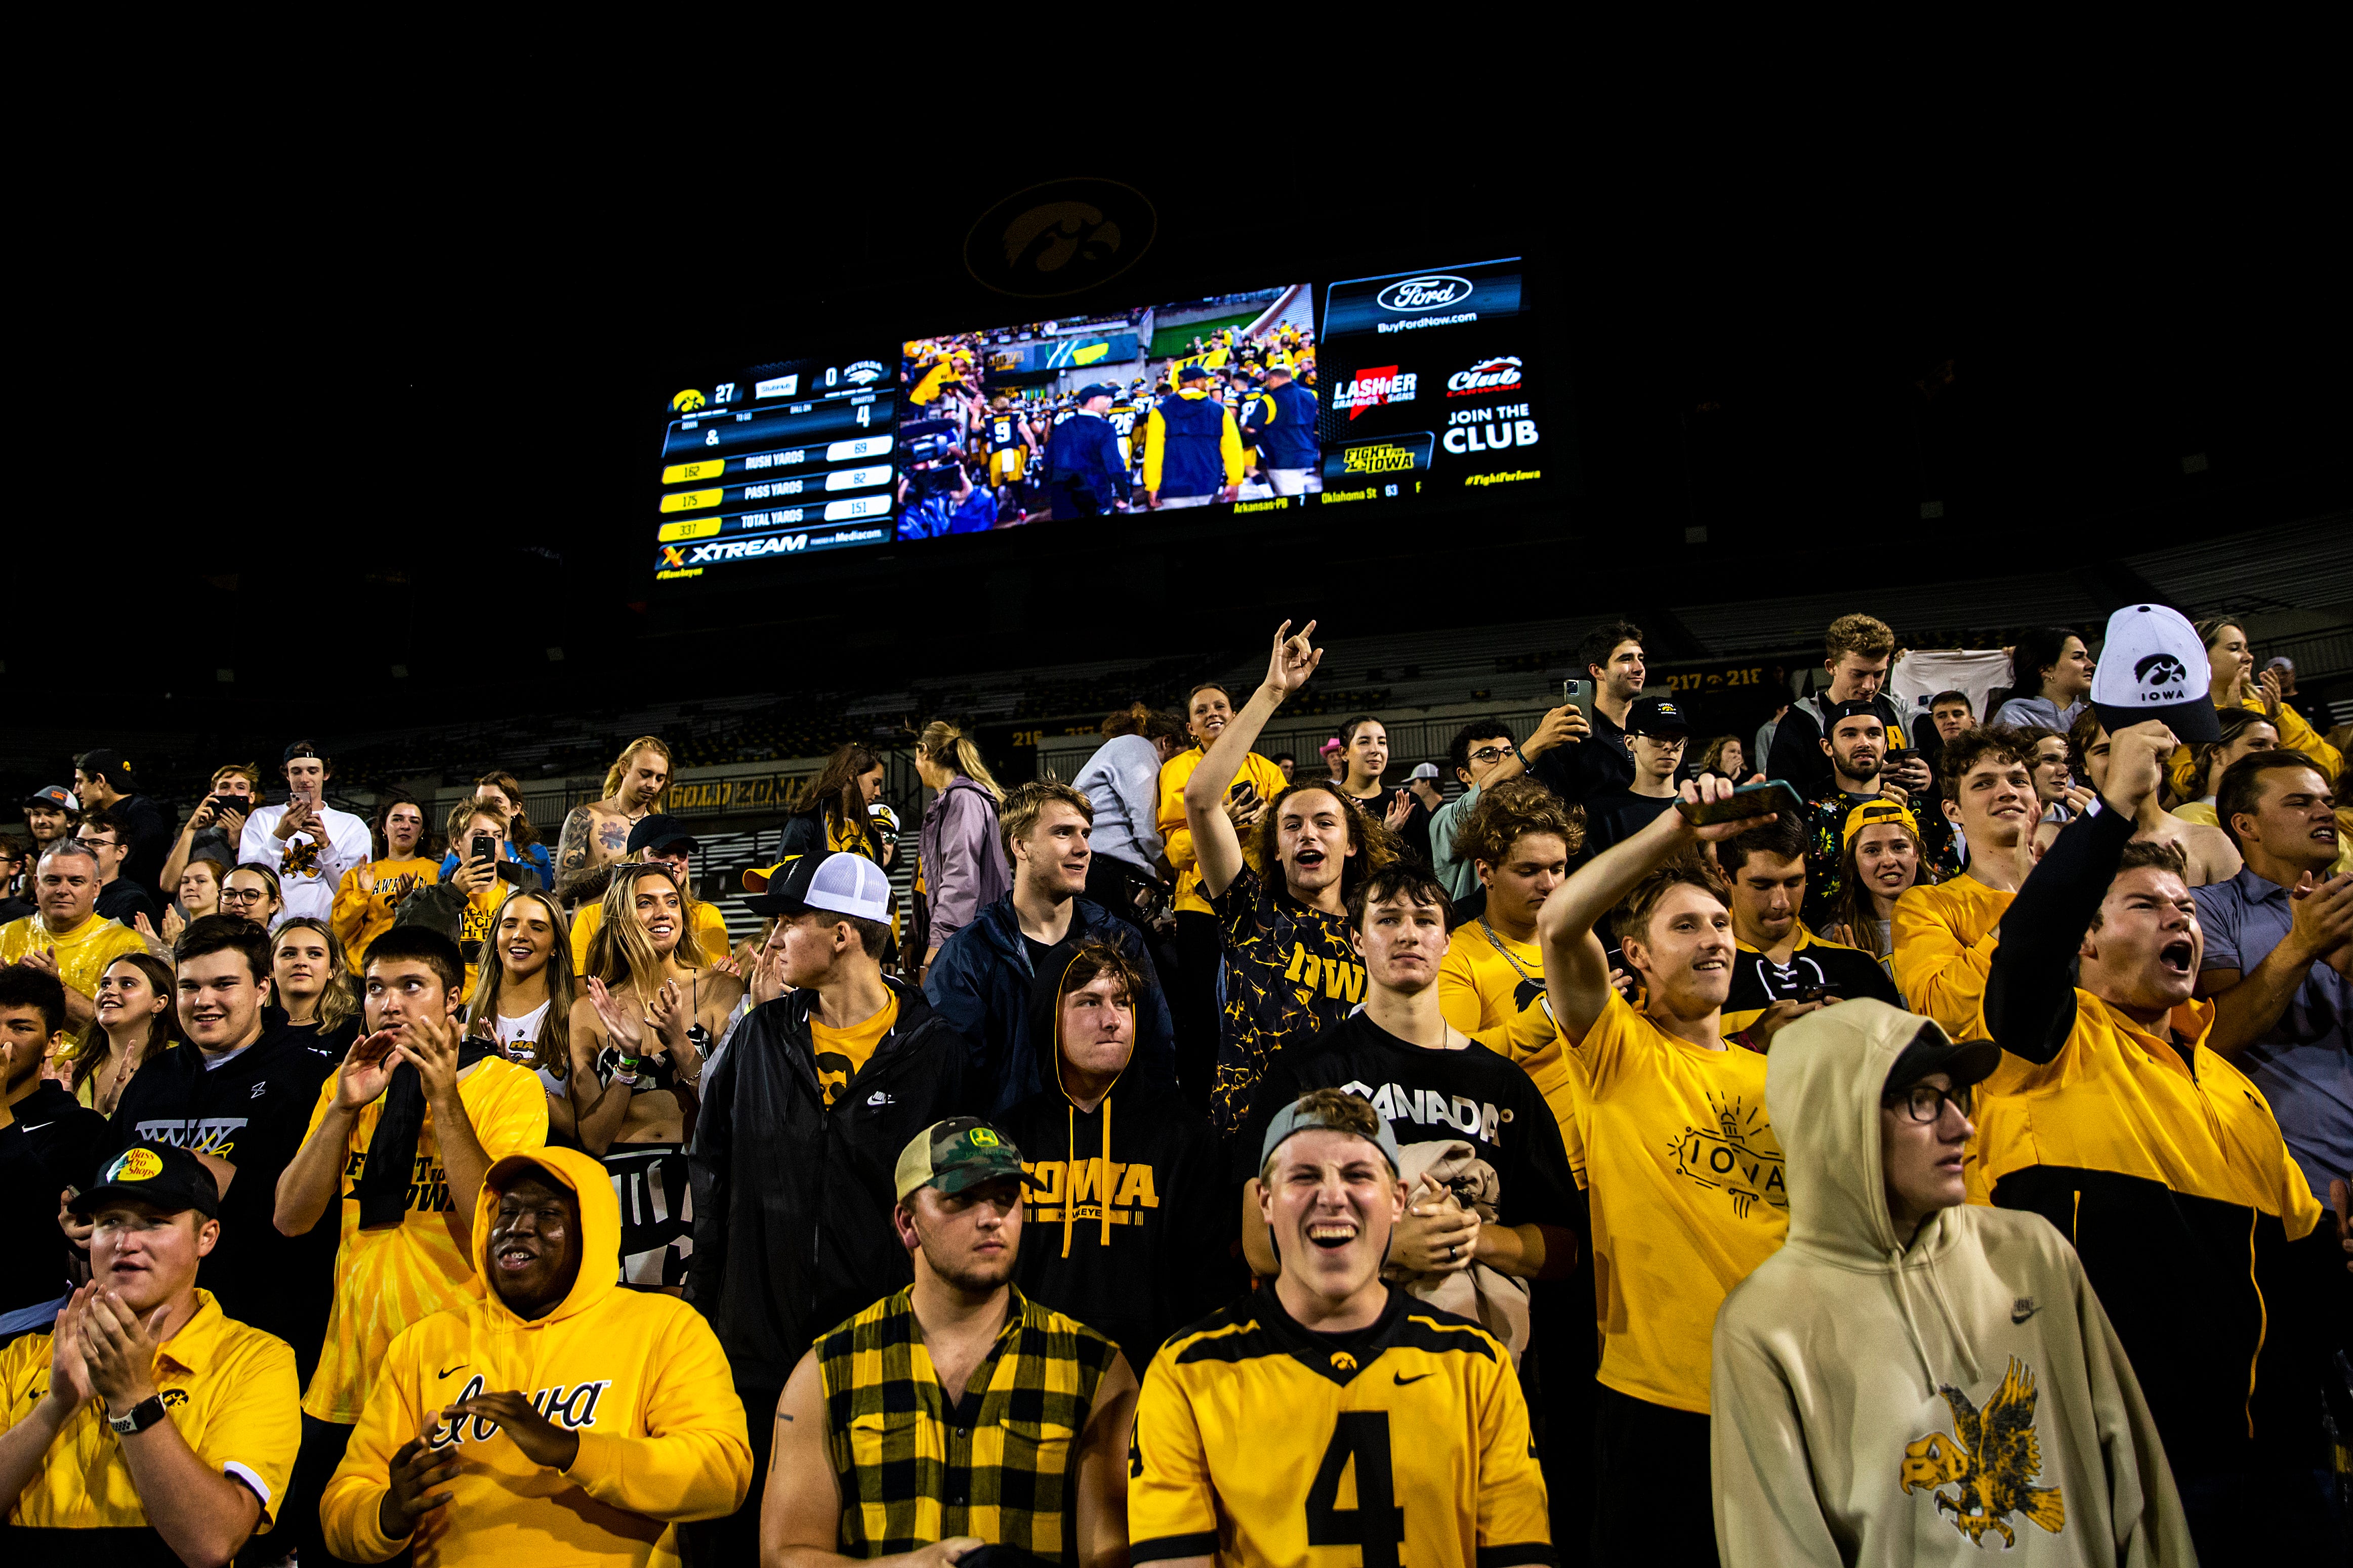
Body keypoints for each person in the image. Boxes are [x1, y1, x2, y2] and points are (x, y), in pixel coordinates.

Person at [1973, 714, 2339, 1555]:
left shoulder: (2229, 1083)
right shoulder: (2045, 1048)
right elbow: (2026, 946)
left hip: (2280, 1460)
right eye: (2143, 903)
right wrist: (2110, 810)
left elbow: (2305, 1269)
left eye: (2184, 906)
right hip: (2124, 1456)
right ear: (2086, 937)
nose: (2177, 918)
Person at [1710, 1001, 2195, 1564]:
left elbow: (2137, 1488)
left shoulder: (2031, 1253)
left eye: (1954, 1099)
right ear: (1836, 1119)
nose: (1960, 1126)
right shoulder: (1765, 1323)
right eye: (1922, 1102)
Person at [685, 851, 977, 1566]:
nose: (773, 937)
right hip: (754, 1349)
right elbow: (713, 1172)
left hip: (879, 1356)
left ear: (844, 933)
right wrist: (710, 1306)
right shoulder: (759, 1035)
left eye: (790, 921)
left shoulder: (938, 1052)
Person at [1534, 773, 1790, 1567]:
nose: (1714, 937)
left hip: (1786, 1394)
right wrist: (1676, 829)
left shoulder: (1779, 1076)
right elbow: (1559, 921)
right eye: (1686, 925)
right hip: (1658, 1401)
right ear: (1637, 954)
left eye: (1720, 921)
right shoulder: (1617, 1049)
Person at [1130, 1088, 1552, 1568]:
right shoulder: (1188, 1373)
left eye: (1357, 1175)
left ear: (1397, 1199)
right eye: (1305, 1176)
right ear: (1264, 1201)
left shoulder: (1476, 1366)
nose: (1332, 1197)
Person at [320, 1147, 752, 1567]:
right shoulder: (424, 1343)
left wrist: (572, 1450)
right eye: (505, 1212)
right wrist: (389, 1513)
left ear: (592, 1230)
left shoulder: (663, 1327)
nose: (518, 1227)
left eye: (548, 1214)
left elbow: (721, 1474)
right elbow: (342, 1504)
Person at [273, 925, 550, 1560]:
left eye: (410, 987)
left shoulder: (506, 1087)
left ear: (453, 999)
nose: (389, 1004)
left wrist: (442, 1096)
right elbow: (290, 1218)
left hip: (454, 1384)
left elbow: (499, 1221)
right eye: (374, 989)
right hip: (343, 1382)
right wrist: (342, 1109)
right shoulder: (347, 1087)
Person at [762, 1117, 1137, 1568]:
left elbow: (1115, 1559)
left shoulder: (1093, 1369)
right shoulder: (829, 1369)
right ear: (908, 1222)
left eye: (1006, 1198)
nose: (991, 1217)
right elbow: (784, 1555)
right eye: (961, 1199)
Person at [1242, 863, 1579, 1325]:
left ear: (1446, 941)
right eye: (1387, 920)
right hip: (1338, 1350)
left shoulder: (1503, 1084)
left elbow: (1564, 1249)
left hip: (1468, 1361)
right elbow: (1257, 1245)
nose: (1408, 934)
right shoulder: (1305, 1071)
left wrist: (1465, 1237)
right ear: (1358, 940)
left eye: (1424, 920)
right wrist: (1387, 1244)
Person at [0, 1142, 301, 1564]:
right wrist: (55, 1409)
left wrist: (133, 1397)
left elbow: (212, 1543)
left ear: (206, 1236)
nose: (126, 1241)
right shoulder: (23, 1357)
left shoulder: (255, 1360)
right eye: (110, 1222)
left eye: (154, 1223)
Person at [110, 915, 345, 1382]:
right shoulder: (151, 1079)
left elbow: (309, 1213)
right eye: (189, 986)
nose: (204, 1001)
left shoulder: (309, 1076)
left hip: (267, 1329)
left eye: (223, 984)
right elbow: (108, 1170)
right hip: (150, 1338)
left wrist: (208, 1176)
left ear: (262, 988)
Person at [1184, 621, 1381, 1135]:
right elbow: (1201, 800)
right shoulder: (1250, 912)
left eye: (1324, 823)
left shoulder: (1379, 933)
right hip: (1250, 1141)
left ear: (1352, 843)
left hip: (1356, 1139)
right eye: (1290, 825)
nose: (1306, 835)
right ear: (1274, 847)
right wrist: (1272, 691)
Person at [1000, 937, 1223, 1366]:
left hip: (1153, 1385)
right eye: (1089, 1003)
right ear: (1049, 1016)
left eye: (1122, 1003)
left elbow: (1207, 1288)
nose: (1112, 1020)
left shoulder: (1185, 1138)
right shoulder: (1009, 1138)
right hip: (1026, 1378)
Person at [925, 780, 1177, 1116]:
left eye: (1085, 834)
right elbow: (952, 1084)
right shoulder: (967, 956)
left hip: (1109, 1153)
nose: (1083, 848)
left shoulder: (1120, 941)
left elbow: (1155, 1051)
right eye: (1063, 833)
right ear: (1020, 846)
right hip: (1010, 1154)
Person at [2193, 750, 2352, 1205]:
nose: (2325, 812)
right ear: (2246, 826)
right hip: (2296, 1193)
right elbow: (2212, 1041)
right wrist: (2301, 947)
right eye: (2300, 803)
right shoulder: (2206, 910)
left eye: (2326, 800)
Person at [572, 863, 742, 1289]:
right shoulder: (589, 1010)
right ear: (619, 917)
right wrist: (627, 1061)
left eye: (670, 902)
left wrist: (680, 1044)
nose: (661, 912)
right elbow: (592, 1139)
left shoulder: (721, 990)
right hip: (615, 1189)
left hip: (697, 1179)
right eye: (644, 903)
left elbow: (731, 1112)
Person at [1155, 681, 1289, 1096]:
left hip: (1260, 908)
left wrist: (1267, 821)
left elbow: (1288, 839)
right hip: (1200, 907)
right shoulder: (1177, 770)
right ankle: (1202, 1100)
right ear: (1191, 727)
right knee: (1203, 1013)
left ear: (1234, 715)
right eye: (1201, 710)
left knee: (1263, 1003)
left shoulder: (1267, 771)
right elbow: (1176, 852)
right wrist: (1218, 820)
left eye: (1221, 706)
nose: (1212, 713)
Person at [1891, 728, 2038, 1039]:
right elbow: (1942, 1012)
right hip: (2010, 1084)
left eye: (2019, 781)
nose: (2008, 792)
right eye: (1984, 783)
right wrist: (2031, 904)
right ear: (1952, 811)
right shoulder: (1925, 905)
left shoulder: (2085, 889)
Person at [1718, 811, 1901, 1050]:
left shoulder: (1859, 969)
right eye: (1762, 886)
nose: (1781, 902)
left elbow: (1908, 1070)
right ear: (1725, 877)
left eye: (1794, 883)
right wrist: (1749, 1042)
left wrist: (1862, 1040)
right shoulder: (1702, 975)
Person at [0, 966, 110, 1343]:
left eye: (21, 1027)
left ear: (53, 1043)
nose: (1, 1039)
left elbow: (32, 1214)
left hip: (29, 1331)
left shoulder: (79, 1127)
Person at [2068, 710, 2242, 885]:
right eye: (2106, 751)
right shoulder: (2068, 845)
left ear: (2161, 752)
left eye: (2136, 747)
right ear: (2085, 766)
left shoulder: (2212, 843)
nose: (2122, 759)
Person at [1428, 709, 1584, 903]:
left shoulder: (1529, 820)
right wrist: (1537, 742)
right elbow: (1482, 796)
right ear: (1463, 774)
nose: (1504, 760)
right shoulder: (1445, 819)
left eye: (1509, 753)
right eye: (1488, 754)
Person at [2, 841, 145, 1049]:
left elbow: (127, 1033)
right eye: (52, 880)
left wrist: (55, 989)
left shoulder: (127, 946)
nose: (62, 890)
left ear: (96, 887)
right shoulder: (5, 936)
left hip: (88, 1070)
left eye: (76, 882)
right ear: (36, 884)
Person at [1798, 700, 1937, 910]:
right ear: (1827, 747)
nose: (1864, 743)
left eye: (1873, 734)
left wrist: (1909, 827)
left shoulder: (1923, 810)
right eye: (1850, 734)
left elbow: (1946, 881)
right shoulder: (1809, 816)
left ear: (1886, 745)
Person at [461, 888, 575, 1136]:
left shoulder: (572, 1016)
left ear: (555, 946)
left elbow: (574, 1127)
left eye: (537, 927)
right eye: (510, 925)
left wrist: (520, 1078)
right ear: (496, 940)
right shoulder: (471, 1016)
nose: (520, 935)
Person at [1765, 613, 1913, 800]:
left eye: (1878, 674)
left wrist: (1930, 779)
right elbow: (1782, 799)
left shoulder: (1901, 713)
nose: (1869, 686)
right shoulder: (1798, 723)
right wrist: (1862, 777)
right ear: (1831, 667)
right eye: (1858, 674)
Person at [566, 813, 731, 976]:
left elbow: (718, 986)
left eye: (681, 853)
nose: (674, 860)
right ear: (635, 859)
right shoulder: (590, 918)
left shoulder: (706, 915)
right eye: (662, 852)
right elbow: (582, 994)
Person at [2189, 617, 2342, 790]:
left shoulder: (2274, 709)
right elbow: (2187, 784)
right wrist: (2233, 723)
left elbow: (2331, 766)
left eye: (2247, 648)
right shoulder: (2187, 720)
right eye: (2235, 648)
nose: (2249, 657)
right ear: (2200, 656)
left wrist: (2279, 720)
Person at [1070, 706, 1186, 927]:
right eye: (1180, 756)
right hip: (1105, 870)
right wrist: (1176, 876)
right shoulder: (1137, 746)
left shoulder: (1120, 748)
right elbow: (1147, 831)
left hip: (1100, 867)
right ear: (1167, 743)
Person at [915, 720, 1009, 983]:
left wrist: (941, 939)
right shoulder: (955, 801)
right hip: (975, 939)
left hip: (972, 943)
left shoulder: (963, 800)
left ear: (925, 751)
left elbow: (961, 876)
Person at [1531, 617, 1645, 804]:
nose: (1639, 668)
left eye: (1640, 659)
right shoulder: (1569, 735)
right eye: (1626, 659)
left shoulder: (1654, 727)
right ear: (1597, 671)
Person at [1812, 799, 1928, 970]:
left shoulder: (1951, 917)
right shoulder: (1837, 937)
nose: (1889, 861)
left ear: (1916, 853)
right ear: (1853, 862)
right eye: (1872, 850)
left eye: (1899, 847)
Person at [554, 735, 674, 899]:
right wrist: (623, 863)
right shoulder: (587, 817)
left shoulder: (659, 829)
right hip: (594, 922)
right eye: (645, 774)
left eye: (660, 779)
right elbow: (562, 887)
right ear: (624, 768)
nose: (652, 785)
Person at [329, 795, 439, 974]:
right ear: (384, 828)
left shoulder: (436, 873)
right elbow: (339, 932)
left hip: (417, 968)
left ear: (422, 832)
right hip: (364, 973)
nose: (405, 826)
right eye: (397, 819)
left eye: (414, 821)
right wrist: (362, 893)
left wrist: (409, 902)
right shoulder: (359, 875)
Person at [1577, 695, 1692, 857]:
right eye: (1657, 737)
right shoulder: (1605, 816)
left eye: (1677, 739)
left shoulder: (1695, 808)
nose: (1669, 747)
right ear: (1630, 743)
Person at [71, 951, 176, 1115]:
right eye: (105, 984)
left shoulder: (181, 1062)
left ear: (159, 1003)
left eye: (127, 984)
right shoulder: (77, 1070)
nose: (109, 991)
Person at [70, 748, 172, 902]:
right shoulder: (134, 811)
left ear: (100, 781)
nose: (76, 791)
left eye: (80, 782)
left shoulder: (143, 815)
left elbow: (143, 872)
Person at [1141, 361, 1243, 508]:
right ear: (1197, 382)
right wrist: (1234, 481)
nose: (1208, 384)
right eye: (1206, 381)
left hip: (1172, 487)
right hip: (1208, 484)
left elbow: (1153, 452)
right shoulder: (1221, 411)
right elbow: (1232, 448)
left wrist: (1152, 485)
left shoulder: (1160, 411)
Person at [157, 761, 261, 901]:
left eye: (240, 787)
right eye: (224, 787)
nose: (232, 793)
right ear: (213, 795)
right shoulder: (194, 838)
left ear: (252, 797)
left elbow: (255, 890)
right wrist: (189, 829)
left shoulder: (260, 838)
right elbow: (169, 885)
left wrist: (238, 841)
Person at [437, 770, 557, 889]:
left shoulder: (536, 853)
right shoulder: (458, 853)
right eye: (483, 801)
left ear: (515, 809)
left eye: (497, 801)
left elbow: (542, 898)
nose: (489, 808)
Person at [2169, 705, 2279, 827]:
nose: (2272, 755)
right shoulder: (2190, 817)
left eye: (2276, 748)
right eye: (2258, 745)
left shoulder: (2274, 815)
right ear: (2217, 752)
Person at [1044, 380, 1135, 519]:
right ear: (1092, 400)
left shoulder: (1063, 427)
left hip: (1062, 499)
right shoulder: (1105, 428)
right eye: (1106, 397)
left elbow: (1048, 461)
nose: (1111, 400)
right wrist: (1125, 496)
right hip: (1095, 498)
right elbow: (1115, 467)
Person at [272, 916, 363, 1054]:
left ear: (332, 968)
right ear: (270, 968)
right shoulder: (251, 1030)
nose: (301, 962)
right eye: (289, 954)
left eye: (315, 954)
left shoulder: (354, 1031)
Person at [1991, 625, 2097, 733]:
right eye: (2078, 657)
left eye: (2087, 657)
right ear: (2046, 670)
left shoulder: (2095, 715)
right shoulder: (2014, 717)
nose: (2092, 665)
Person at [73, 807, 162, 929]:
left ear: (121, 852)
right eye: (79, 842)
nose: (85, 848)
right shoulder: (66, 894)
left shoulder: (133, 902)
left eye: (96, 843)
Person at [219, 861, 286, 932]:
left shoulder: (284, 943)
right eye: (229, 894)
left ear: (273, 904)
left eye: (251, 895)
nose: (237, 902)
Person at [20, 784, 79, 863]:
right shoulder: (21, 860)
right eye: (36, 814)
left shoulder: (81, 858)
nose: (41, 821)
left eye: (51, 814)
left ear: (70, 821)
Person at [1693, 734, 1762, 785]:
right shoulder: (1707, 775)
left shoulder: (1747, 777)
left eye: (1739, 753)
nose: (1737, 756)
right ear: (1719, 755)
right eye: (1732, 751)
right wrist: (1727, 774)